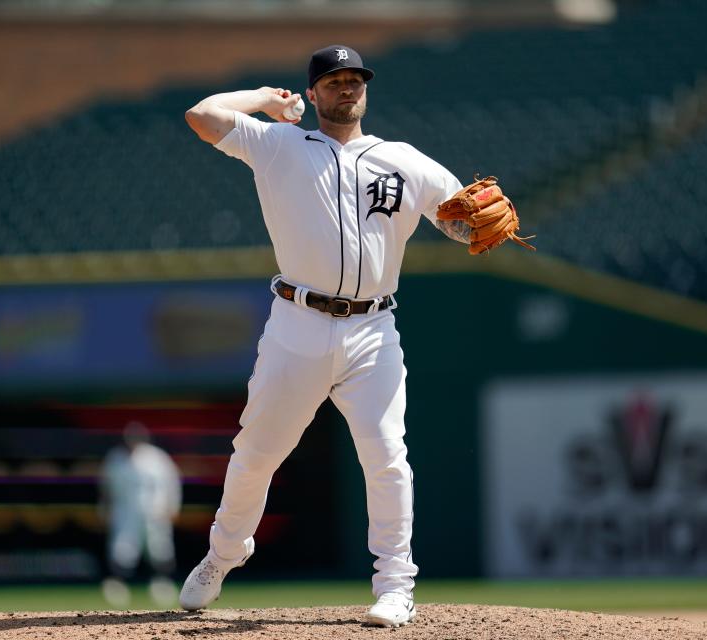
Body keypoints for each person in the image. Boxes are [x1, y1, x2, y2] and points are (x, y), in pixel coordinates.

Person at [179, 45, 474, 627]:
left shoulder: (404, 160)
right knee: (256, 455)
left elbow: (459, 218)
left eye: (355, 79)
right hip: (297, 323)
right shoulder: (277, 144)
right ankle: (222, 554)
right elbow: (202, 115)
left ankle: (395, 585)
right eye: (334, 80)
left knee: (387, 455)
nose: (347, 87)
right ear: (312, 93)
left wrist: (475, 226)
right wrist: (265, 101)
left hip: (373, 329)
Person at [100, 421, 183, 607]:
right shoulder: (116, 459)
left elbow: (172, 484)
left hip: (155, 512)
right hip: (125, 513)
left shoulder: (157, 458)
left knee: (159, 548)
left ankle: (162, 585)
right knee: (123, 549)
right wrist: (104, 510)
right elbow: (106, 490)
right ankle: (117, 587)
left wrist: (173, 506)